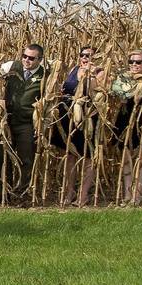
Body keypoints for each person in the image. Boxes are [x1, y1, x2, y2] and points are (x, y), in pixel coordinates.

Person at [0, 44, 49, 205]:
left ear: (40, 59)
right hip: (7, 120)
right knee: (2, 157)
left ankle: (22, 194)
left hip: (27, 123)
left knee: (26, 159)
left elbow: (48, 100)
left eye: (31, 58)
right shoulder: (11, 66)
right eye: (24, 56)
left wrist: (42, 123)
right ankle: (1, 193)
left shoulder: (46, 75)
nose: (26, 60)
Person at [50, 46, 103, 206]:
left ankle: (83, 194)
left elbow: (97, 93)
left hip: (87, 118)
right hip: (68, 116)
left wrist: (89, 74)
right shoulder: (73, 69)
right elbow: (65, 88)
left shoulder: (100, 72)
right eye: (83, 55)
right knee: (70, 156)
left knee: (88, 157)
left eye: (89, 55)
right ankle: (69, 191)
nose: (85, 58)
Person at [111, 50, 142, 204]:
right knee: (125, 158)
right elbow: (119, 92)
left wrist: (135, 90)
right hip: (125, 119)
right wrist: (138, 89)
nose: (134, 65)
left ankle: (136, 196)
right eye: (131, 62)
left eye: (138, 62)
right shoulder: (122, 77)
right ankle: (127, 194)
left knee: (141, 158)